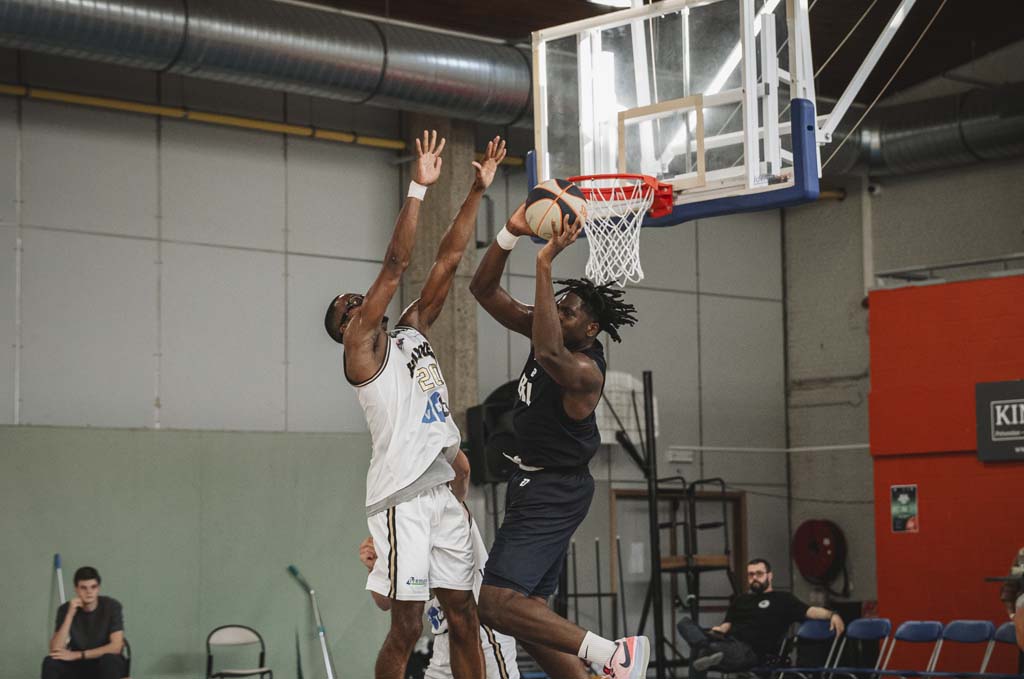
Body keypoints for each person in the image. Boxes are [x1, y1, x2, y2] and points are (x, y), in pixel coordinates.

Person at [325, 131, 506, 679]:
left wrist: (476, 191)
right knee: (406, 627)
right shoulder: (362, 354)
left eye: (355, 299)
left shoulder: (409, 330)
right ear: (346, 332)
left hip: (439, 489)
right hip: (401, 495)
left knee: (464, 615)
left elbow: (447, 261)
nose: (356, 303)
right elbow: (396, 263)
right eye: (347, 310)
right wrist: (418, 188)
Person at [469, 206, 644, 679]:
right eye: (557, 308)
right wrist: (509, 233)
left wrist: (544, 262)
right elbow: (482, 290)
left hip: (554, 490)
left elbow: (547, 351)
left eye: (567, 311)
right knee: (527, 618)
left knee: (495, 604)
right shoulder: (552, 333)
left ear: (590, 330)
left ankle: (613, 655)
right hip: (533, 482)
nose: (556, 313)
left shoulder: (584, 370)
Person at [359, 511, 520, 679]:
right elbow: (384, 603)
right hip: (443, 640)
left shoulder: (445, 508)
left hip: (480, 631)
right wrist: (374, 567)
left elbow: (458, 494)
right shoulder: (393, 533)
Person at [678, 558, 845, 674]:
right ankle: (706, 647)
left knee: (702, 654)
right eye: (751, 575)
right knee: (685, 623)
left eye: (759, 574)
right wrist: (718, 630)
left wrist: (832, 614)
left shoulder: (783, 599)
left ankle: (709, 651)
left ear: (769, 576)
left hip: (752, 652)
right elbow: (727, 624)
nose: (754, 578)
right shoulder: (741, 600)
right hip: (728, 642)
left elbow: (809, 611)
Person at [42, 567, 126, 679]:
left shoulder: (112, 606)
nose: (89, 592)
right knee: (50, 662)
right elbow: (55, 649)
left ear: (98, 588)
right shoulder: (65, 609)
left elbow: (116, 646)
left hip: (102, 663)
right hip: (78, 666)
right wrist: (69, 615)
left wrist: (79, 655)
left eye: (93, 587)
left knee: (110, 660)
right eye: (83, 588)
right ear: (76, 589)